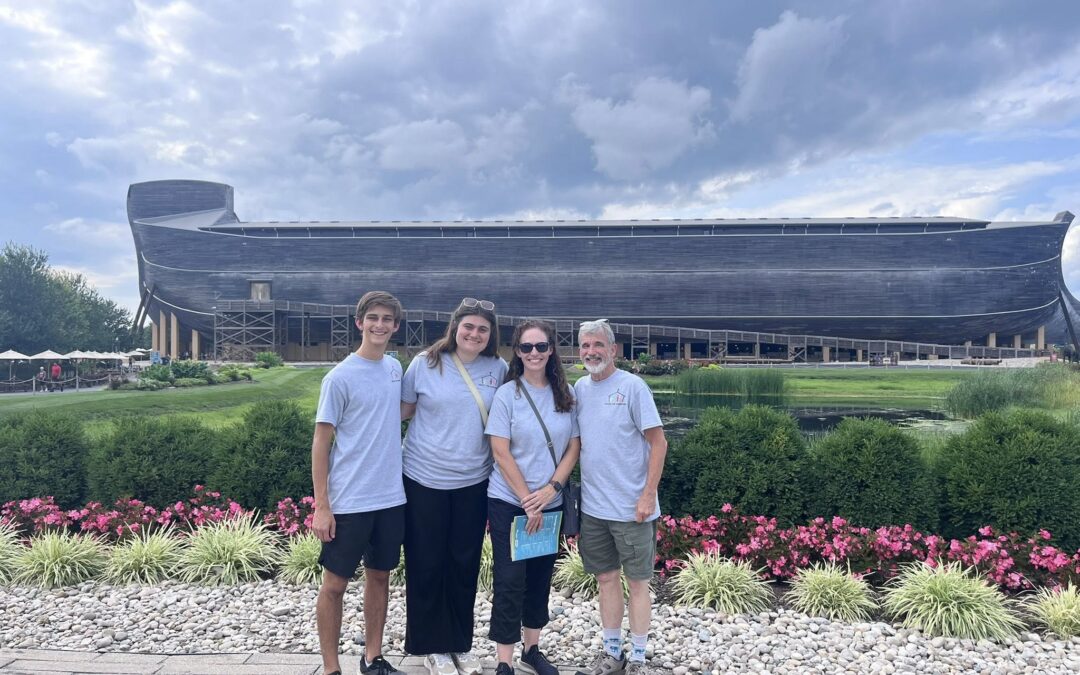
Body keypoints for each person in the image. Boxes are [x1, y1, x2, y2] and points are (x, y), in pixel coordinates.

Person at [400, 298, 507, 675]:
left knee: (464, 563)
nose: (474, 334)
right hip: (423, 478)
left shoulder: (500, 368)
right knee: (426, 562)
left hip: (474, 481)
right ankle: (430, 646)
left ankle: (459, 643)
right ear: (455, 327)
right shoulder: (425, 363)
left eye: (483, 329)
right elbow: (401, 411)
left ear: (491, 335)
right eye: (469, 326)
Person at [311, 291, 406, 675]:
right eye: (373, 318)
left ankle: (373, 658)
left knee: (379, 577)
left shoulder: (395, 369)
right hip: (349, 500)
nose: (380, 325)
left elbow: (400, 409)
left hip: (390, 498)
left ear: (396, 326)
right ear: (359, 322)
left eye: (387, 319)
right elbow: (321, 440)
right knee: (335, 585)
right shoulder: (339, 377)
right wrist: (322, 505)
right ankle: (332, 668)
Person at [572, 320, 667, 675]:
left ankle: (639, 658)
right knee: (607, 580)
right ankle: (612, 654)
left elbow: (658, 443)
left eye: (598, 345)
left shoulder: (632, 387)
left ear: (614, 350)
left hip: (633, 510)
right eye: (585, 346)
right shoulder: (580, 388)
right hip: (594, 510)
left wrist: (647, 495)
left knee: (639, 583)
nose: (591, 352)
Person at [485, 320, 580, 675]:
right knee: (510, 580)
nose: (535, 353)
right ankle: (504, 659)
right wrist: (528, 498)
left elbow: (574, 445)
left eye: (541, 346)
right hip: (510, 504)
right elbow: (500, 450)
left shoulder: (564, 395)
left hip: (550, 504)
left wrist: (551, 489)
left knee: (540, 578)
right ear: (518, 352)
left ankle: (532, 648)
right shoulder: (507, 394)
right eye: (527, 347)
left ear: (551, 350)